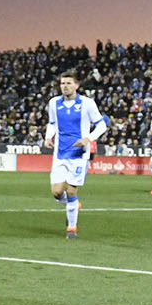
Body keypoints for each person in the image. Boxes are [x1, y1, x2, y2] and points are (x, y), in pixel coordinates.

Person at [43, 72, 108, 238]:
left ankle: (71, 229)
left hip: (79, 155)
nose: (65, 86)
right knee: (57, 192)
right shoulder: (53, 103)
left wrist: (88, 138)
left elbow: (101, 125)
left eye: (69, 83)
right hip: (60, 154)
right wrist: (47, 137)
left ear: (77, 86)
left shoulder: (87, 103)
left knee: (71, 191)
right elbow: (52, 123)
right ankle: (72, 206)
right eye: (63, 83)